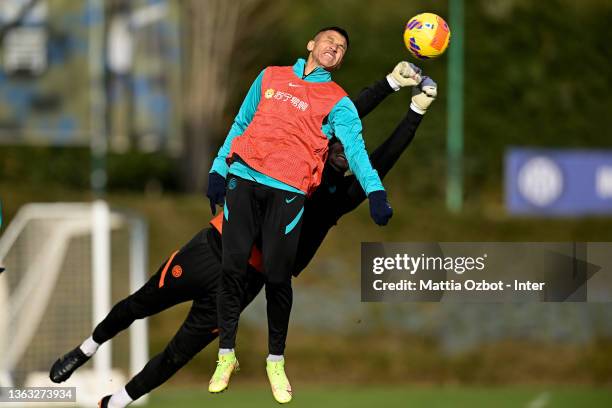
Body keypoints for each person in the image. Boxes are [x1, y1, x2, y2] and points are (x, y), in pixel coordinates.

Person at [49, 64, 437, 407]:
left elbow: (383, 160)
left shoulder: (340, 199)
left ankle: (112, 404)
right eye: (335, 140)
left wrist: (416, 112)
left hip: (247, 280)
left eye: (348, 148)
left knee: (179, 353)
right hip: (213, 249)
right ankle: (86, 349)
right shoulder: (306, 161)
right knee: (139, 305)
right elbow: (341, 108)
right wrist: (388, 84)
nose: (341, 148)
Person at [206, 26, 394, 399]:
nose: (334, 48)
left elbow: (355, 149)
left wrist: (375, 191)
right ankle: (226, 355)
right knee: (232, 267)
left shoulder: (338, 101)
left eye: (341, 48)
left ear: (340, 60)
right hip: (243, 177)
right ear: (311, 44)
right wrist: (217, 168)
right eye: (329, 41)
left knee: (277, 276)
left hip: (288, 190)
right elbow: (241, 124)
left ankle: (275, 360)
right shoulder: (269, 76)